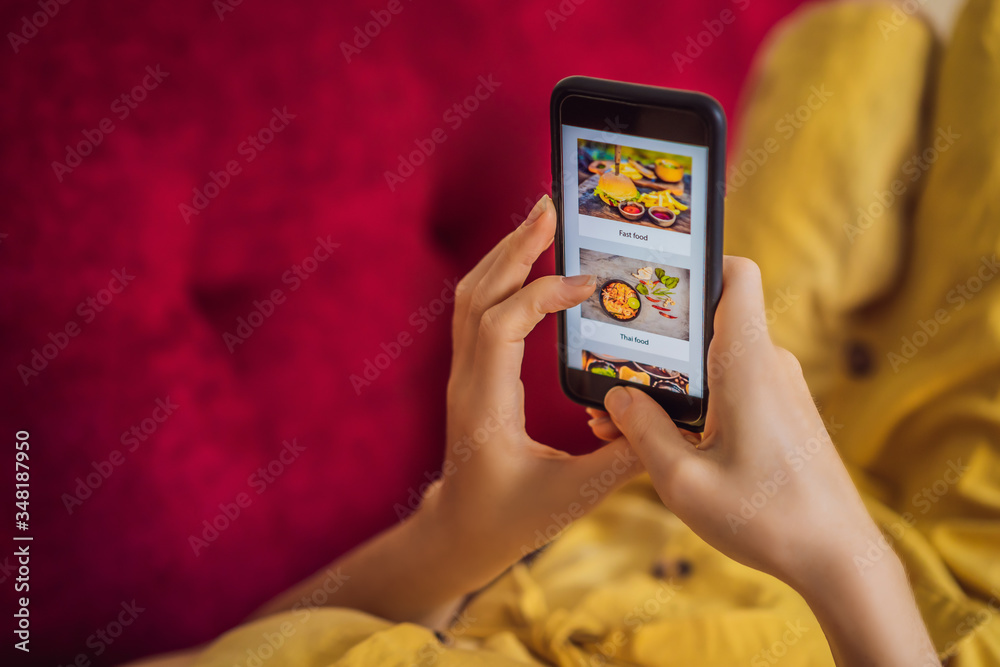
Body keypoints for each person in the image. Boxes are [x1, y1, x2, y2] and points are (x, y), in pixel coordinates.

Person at [133, 0, 1000, 664]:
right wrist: (851, 563)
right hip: (942, 597)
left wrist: (453, 537)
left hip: (664, 486)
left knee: (850, 49)